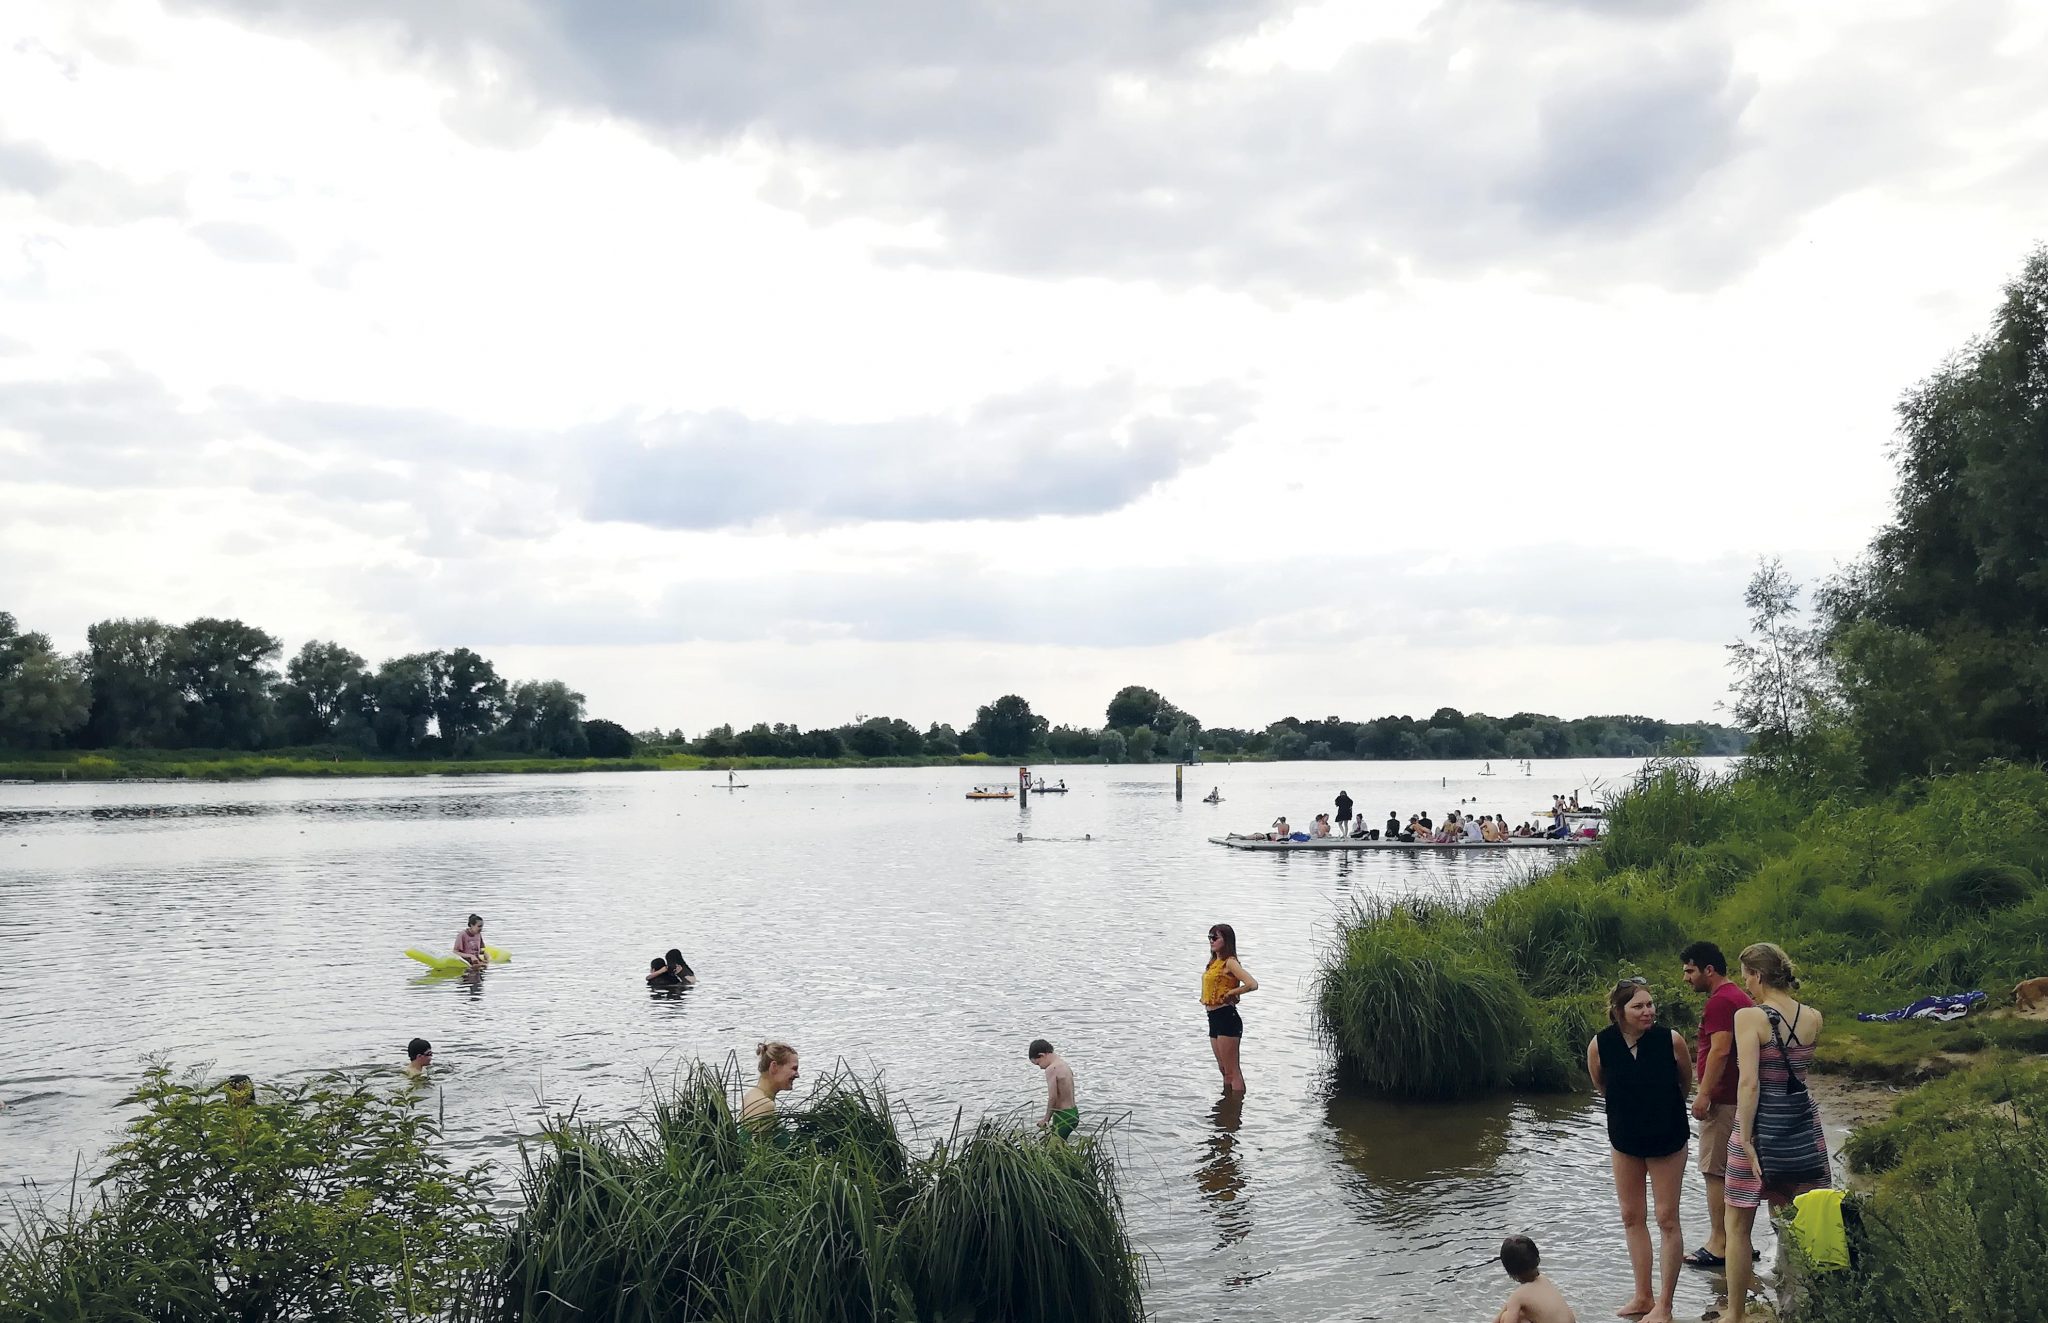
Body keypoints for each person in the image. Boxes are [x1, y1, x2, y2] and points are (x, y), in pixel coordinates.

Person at [1723, 943, 1829, 1323]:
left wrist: (1745, 1138)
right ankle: (1796, 1309)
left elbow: (1750, 1083)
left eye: (1746, 977)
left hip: (1761, 1132)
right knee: (1797, 1225)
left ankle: (1735, 1315)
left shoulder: (1749, 1017)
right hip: (1802, 1132)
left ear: (1758, 975)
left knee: (1737, 1228)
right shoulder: (1813, 1017)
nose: (1745, 985)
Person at [1587, 978, 1692, 1323]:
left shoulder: (1670, 1040)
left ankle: (1666, 1305)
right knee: (1631, 1216)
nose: (1648, 1011)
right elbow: (1602, 1085)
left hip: (1668, 1138)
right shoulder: (1600, 1044)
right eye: (1638, 1006)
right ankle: (1643, 1296)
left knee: (1666, 1217)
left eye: (1650, 1004)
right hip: (1625, 1139)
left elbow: (1685, 1082)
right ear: (1619, 1012)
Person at [1681, 941, 1754, 1268]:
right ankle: (1740, 1241)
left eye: (1690, 971)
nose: (1686, 978)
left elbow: (1720, 1050)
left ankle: (1720, 1243)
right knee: (1737, 1172)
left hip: (1724, 1101)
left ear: (1708, 970)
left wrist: (1704, 1094)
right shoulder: (1738, 996)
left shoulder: (1721, 1001)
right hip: (1739, 1099)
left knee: (1715, 1171)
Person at [1201, 924, 1258, 1092]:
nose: (1211, 941)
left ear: (1226, 941)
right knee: (1223, 1069)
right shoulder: (1213, 962)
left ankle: (1237, 1101)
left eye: (1215, 937)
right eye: (1209, 937)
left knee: (1232, 1071)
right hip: (1213, 1018)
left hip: (1226, 1017)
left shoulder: (1230, 962)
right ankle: (1228, 1103)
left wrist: (1233, 992)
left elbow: (1252, 984)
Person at [1494, 1234, 1578, 1323]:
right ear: (1537, 1259)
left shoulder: (1518, 1296)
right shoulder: (1544, 1280)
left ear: (1509, 1270)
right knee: (1521, 1312)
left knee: (1506, 1316)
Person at [740, 1041, 799, 1126]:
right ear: (774, 1067)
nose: (797, 1075)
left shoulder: (753, 1094)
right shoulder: (764, 1104)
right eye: (794, 1068)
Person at [1029, 1038, 1078, 1139]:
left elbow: (1053, 1098)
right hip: (1073, 1113)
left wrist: (1046, 1119)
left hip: (1063, 1116)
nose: (1040, 1067)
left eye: (1038, 1064)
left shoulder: (1051, 1069)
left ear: (1042, 1055)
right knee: (1061, 1145)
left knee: (1054, 1146)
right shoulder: (1064, 1065)